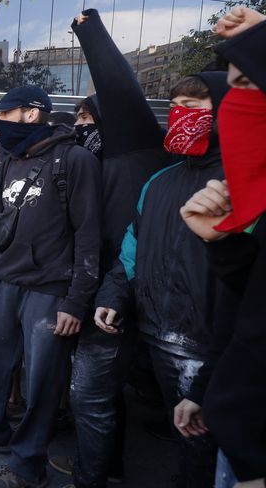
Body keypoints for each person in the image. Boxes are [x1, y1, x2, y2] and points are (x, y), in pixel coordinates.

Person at [0, 85, 102, 488]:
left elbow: (89, 235)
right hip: (3, 281)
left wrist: (76, 302)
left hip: (50, 289)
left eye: (5, 114)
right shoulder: (7, 162)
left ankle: (27, 465)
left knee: (41, 382)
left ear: (32, 114)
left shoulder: (75, 161)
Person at [53, 8, 174, 488]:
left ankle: (95, 474)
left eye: (87, 115)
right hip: (108, 290)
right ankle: (110, 467)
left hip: (122, 290)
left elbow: (121, 91)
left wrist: (91, 31)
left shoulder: (135, 146)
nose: (81, 125)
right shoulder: (99, 164)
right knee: (105, 392)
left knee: (93, 393)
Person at [93, 72, 231, 488]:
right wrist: (115, 293)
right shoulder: (159, 181)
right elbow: (132, 248)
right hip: (157, 334)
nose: (180, 117)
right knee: (184, 436)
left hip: (213, 344)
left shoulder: (244, 180)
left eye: (193, 109)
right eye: (175, 108)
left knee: (210, 446)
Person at [177, 6, 266, 488]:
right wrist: (224, 244)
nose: (235, 106)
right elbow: (251, 321)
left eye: (248, 85)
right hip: (238, 447)